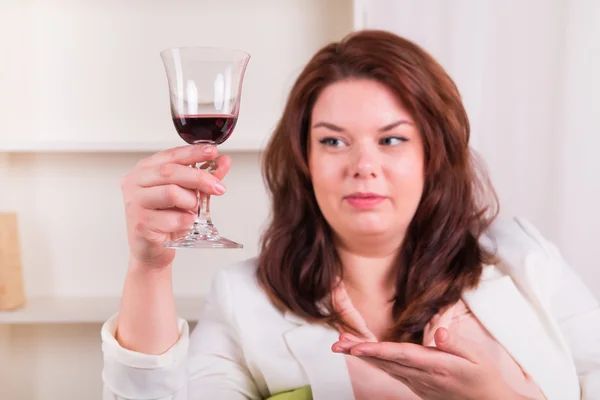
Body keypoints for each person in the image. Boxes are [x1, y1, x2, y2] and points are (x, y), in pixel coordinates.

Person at [101, 30, 600, 400]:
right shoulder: (243, 296)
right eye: (334, 141)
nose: (363, 166)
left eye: (391, 139)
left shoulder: (525, 258)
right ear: (304, 160)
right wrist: (148, 268)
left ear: (433, 155)